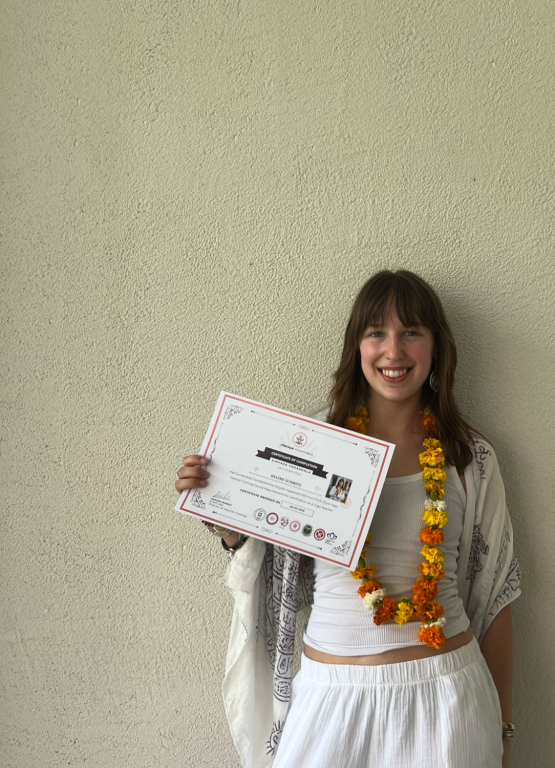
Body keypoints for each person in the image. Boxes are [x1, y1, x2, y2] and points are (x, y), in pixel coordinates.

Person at [175, 270, 522, 768]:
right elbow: (276, 564)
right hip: (330, 704)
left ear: (436, 347)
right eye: (377, 332)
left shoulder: (470, 457)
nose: (393, 350)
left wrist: (504, 731)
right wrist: (227, 521)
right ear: (357, 346)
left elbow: (496, 597)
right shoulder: (310, 445)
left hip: (446, 700)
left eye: (412, 331)